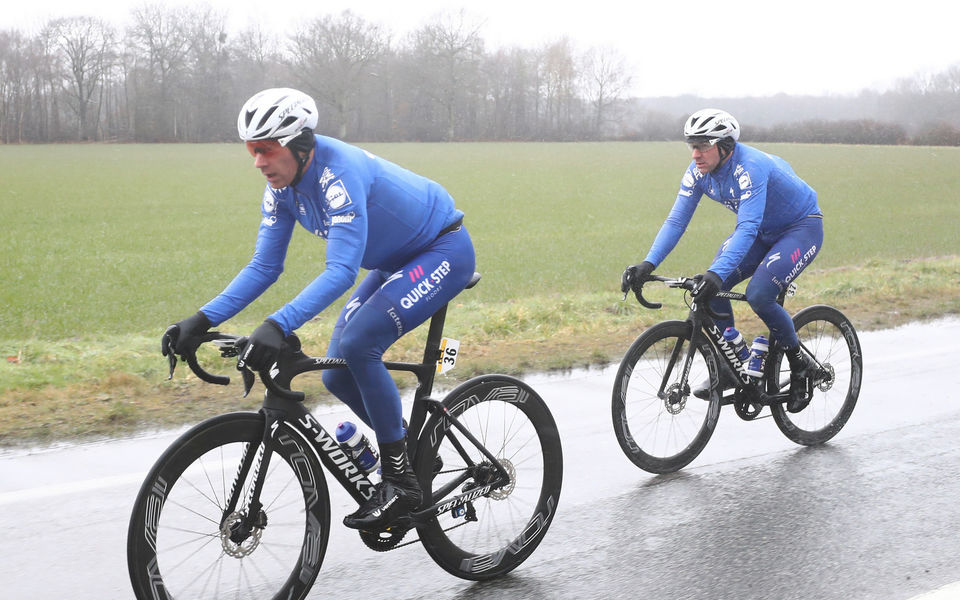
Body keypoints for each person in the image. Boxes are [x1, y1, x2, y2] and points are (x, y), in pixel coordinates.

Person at [160, 87, 476, 530]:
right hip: (393, 263)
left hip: (442, 250)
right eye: (252, 151)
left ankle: (402, 482)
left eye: (266, 150)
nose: (258, 162)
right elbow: (265, 265)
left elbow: (342, 271)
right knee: (336, 372)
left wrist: (277, 324)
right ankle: (413, 453)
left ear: (298, 145)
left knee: (360, 342)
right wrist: (201, 319)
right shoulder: (282, 187)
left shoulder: (338, 173)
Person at [620, 108, 823, 412]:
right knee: (710, 288)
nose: (695, 154)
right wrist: (648, 264)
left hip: (800, 228)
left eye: (702, 146)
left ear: (724, 146)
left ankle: (800, 365)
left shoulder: (750, 167)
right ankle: (733, 364)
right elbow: (676, 222)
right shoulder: (698, 173)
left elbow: (747, 227)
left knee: (759, 294)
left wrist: (716, 273)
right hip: (762, 231)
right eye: (692, 146)